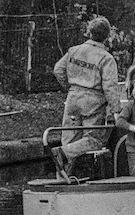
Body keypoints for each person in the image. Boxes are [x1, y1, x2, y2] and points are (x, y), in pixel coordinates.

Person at [52, 16, 122, 178]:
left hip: (73, 99)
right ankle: (63, 152)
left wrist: (70, 88)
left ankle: (62, 181)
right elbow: (110, 87)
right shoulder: (106, 58)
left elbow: (58, 70)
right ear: (107, 35)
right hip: (93, 102)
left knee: (69, 139)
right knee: (94, 140)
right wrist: (116, 110)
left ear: (89, 32)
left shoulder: (74, 51)